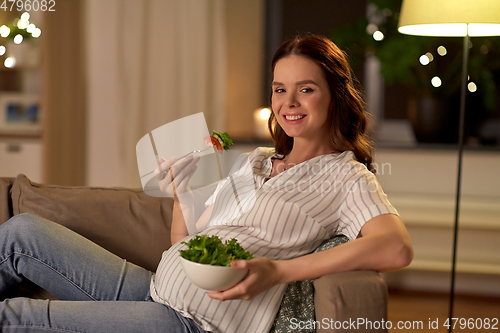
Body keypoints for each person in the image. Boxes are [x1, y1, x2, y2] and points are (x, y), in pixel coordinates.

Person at [0, 34, 413, 332]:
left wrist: (279, 271)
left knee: (15, 316)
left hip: (195, 321)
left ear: (334, 96)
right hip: (157, 289)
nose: (288, 103)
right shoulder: (255, 161)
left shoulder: (345, 176)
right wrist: (183, 194)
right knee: (21, 233)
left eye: (306, 89)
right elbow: (186, 240)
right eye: (279, 89)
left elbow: (395, 247)